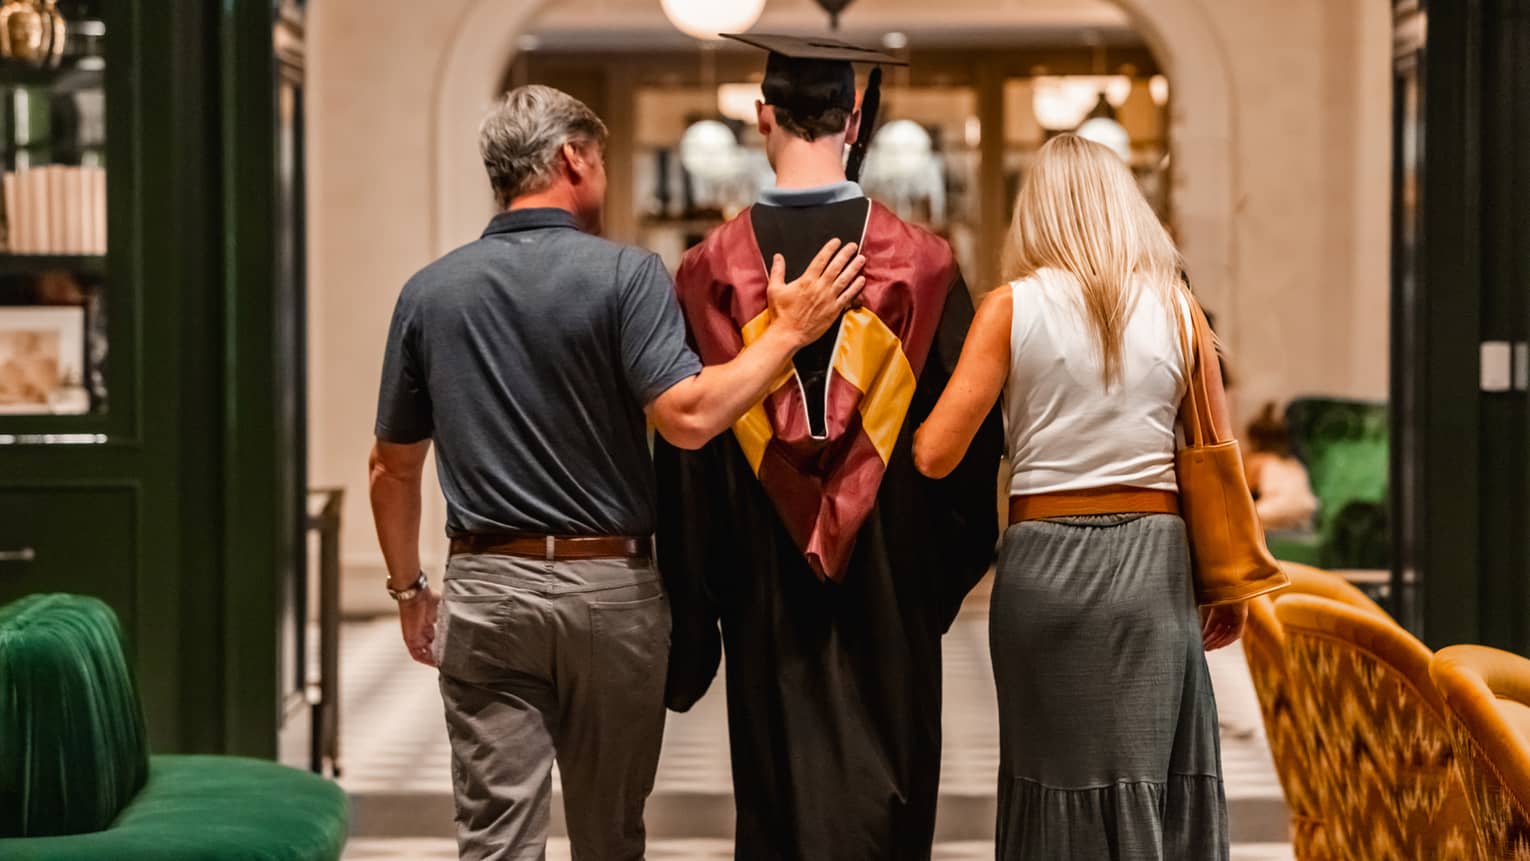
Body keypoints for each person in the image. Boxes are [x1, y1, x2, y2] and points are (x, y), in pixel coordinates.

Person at [367, 84, 865, 861]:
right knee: (610, 838)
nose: (602, 174)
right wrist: (789, 333)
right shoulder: (627, 277)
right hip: (610, 593)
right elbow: (690, 416)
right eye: (598, 159)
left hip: (488, 593)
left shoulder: (430, 293)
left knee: (495, 840)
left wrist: (408, 590)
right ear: (571, 159)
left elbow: (392, 468)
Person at [654, 34, 1004, 860]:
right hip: (889, 590)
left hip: (764, 591)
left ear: (761, 115)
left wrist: (706, 599)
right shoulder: (923, 266)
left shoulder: (709, 271)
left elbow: (685, 460)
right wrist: (927, 581)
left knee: (778, 804)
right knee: (891, 800)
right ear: (854, 118)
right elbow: (971, 447)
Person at [912, 133, 1239, 860]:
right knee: (1150, 768)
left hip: (1044, 566)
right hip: (1152, 564)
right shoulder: (1180, 311)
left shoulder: (1009, 308)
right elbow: (1218, 456)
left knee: (1051, 772)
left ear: (1038, 213)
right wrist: (1231, 582)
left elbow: (936, 456)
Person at [1245, 401, 1318, 531]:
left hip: (1274, 509)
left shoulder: (1258, 460)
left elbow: (1244, 490)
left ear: (1254, 439)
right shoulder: (1293, 462)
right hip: (1305, 511)